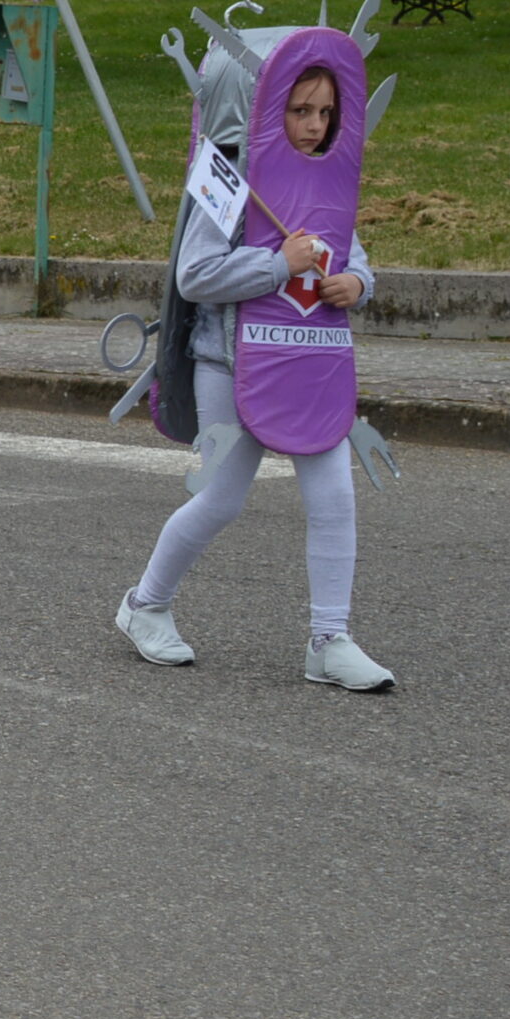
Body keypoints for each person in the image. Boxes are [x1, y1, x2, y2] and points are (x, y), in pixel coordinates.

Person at [115, 63, 392, 689]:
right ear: (268, 108)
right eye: (300, 111)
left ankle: (330, 639)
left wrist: (357, 283)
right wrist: (276, 263)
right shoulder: (226, 173)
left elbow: (350, 252)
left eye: (325, 113)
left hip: (311, 364)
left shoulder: (331, 173)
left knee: (334, 499)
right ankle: (145, 606)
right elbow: (196, 274)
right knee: (219, 498)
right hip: (227, 365)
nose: (315, 126)